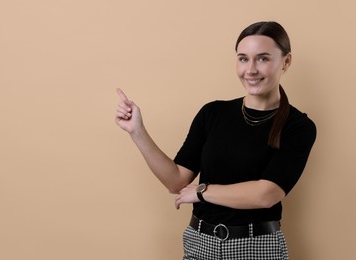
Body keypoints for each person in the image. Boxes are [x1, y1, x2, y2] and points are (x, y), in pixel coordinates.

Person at [115, 21, 316, 260]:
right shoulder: (213, 113)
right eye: (243, 58)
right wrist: (137, 131)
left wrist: (202, 191)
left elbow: (267, 194)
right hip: (200, 243)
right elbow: (176, 181)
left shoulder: (298, 126)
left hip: (257, 247)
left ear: (286, 61)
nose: (250, 69)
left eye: (263, 58)